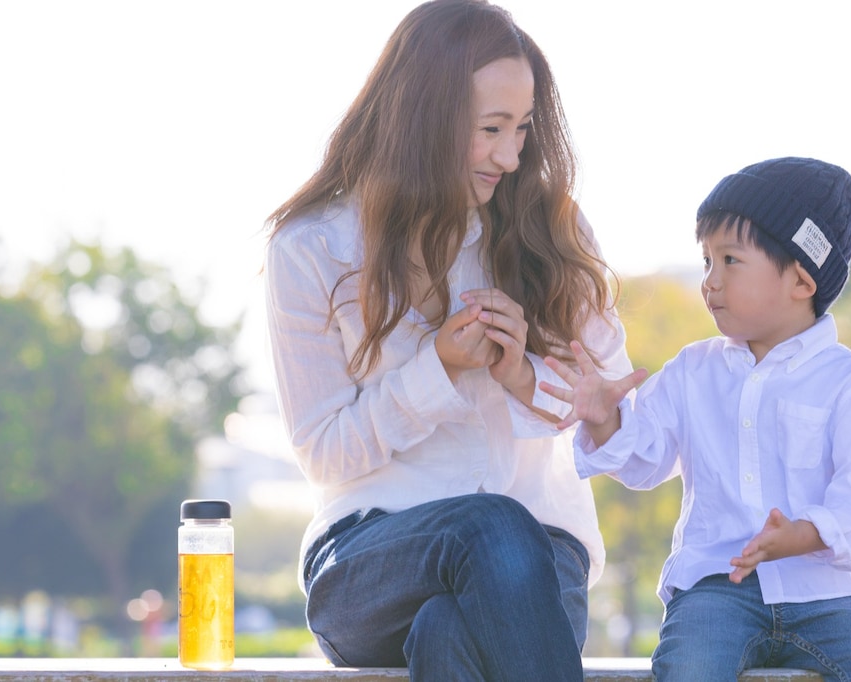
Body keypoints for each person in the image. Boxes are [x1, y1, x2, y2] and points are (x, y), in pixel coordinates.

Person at [262, 1, 632, 679]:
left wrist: (526, 376)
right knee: (489, 528)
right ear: (423, 118)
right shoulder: (314, 246)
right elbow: (324, 453)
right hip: (371, 556)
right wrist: (437, 368)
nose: (511, 155)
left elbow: (614, 417)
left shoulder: (555, 234)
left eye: (521, 129)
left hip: (542, 561)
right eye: (491, 129)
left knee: (449, 631)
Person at [540, 157, 851, 681]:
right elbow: (645, 459)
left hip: (827, 594)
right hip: (715, 591)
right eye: (705, 261)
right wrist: (606, 421)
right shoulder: (692, 371)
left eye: (730, 260)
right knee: (689, 668)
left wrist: (804, 533)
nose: (710, 281)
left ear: (800, 278)